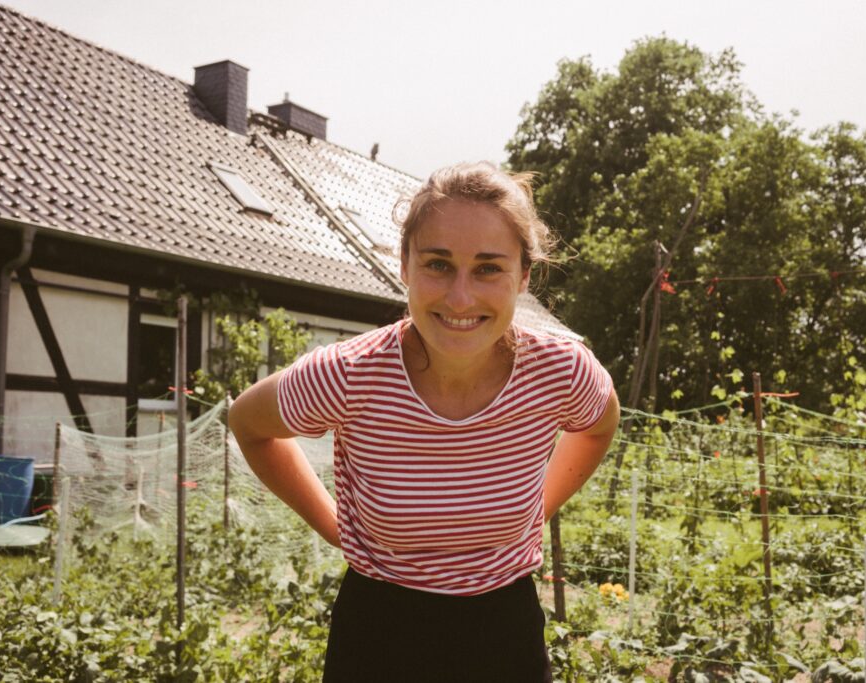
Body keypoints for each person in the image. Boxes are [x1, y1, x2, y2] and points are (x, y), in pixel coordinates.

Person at [229, 161, 620, 682]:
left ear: (524, 276)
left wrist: (536, 507)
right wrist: (335, 528)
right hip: (380, 636)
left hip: (505, 636)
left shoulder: (559, 371)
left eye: (488, 268)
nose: (460, 297)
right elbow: (248, 422)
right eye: (438, 264)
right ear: (405, 267)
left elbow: (599, 424)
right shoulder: (349, 374)